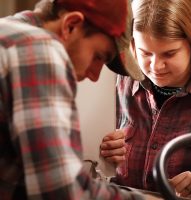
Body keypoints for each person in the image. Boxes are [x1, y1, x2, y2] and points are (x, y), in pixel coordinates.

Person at [0, 0, 159, 199]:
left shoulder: (8, 32)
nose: (94, 75)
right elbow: (63, 192)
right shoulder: (38, 50)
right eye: (99, 56)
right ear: (71, 25)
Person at [99, 0, 191, 198]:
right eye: (145, 53)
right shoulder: (118, 80)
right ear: (132, 45)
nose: (156, 66)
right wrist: (106, 156)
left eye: (169, 53)